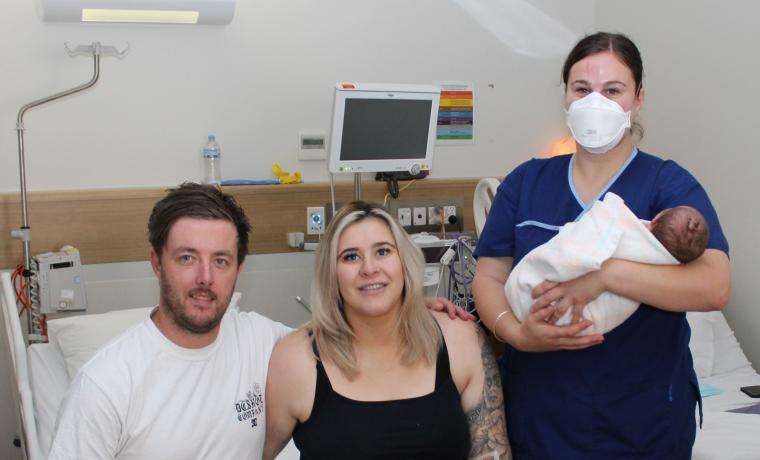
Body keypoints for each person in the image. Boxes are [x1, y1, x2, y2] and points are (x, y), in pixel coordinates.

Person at [48, 183, 467, 459]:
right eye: (187, 258)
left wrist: (401, 304)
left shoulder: (265, 343)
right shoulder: (107, 384)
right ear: (156, 263)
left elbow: (345, 334)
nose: (205, 279)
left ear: (239, 267)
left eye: (221, 261)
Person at [472, 32, 730, 459]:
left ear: (638, 98)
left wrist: (607, 277)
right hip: (542, 415)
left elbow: (714, 285)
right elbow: (490, 275)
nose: (596, 102)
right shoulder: (526, 183)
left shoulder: (668, 185)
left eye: (613, 90)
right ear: (566, 98)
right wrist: (517, 334)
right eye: (582, 89)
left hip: (645, 421)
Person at [264, 201, 510, 460]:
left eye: (382, 252)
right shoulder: (296, 360)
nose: (369, 269)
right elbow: (255, 451)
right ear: (331, 275)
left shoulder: (461, 340)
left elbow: (492, 451)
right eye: (350, 256)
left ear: (404, 263)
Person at [506, 193, 709, 334]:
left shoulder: (617, 219)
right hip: (566, 331)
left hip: (533, 292)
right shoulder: (666, 268)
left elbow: (714, 291)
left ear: (655, 219)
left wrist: (603, 276)